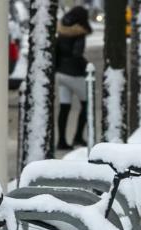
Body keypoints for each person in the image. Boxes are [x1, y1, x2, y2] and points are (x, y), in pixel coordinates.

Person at [55, 6, 92, 150]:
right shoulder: (79, 33)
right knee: (87, 104)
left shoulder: (62, 29)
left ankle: (62, 140)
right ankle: (78, 136)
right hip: (75, 74)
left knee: (64, 107)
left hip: (61, 74)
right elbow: (77, 54)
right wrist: (86, 64)